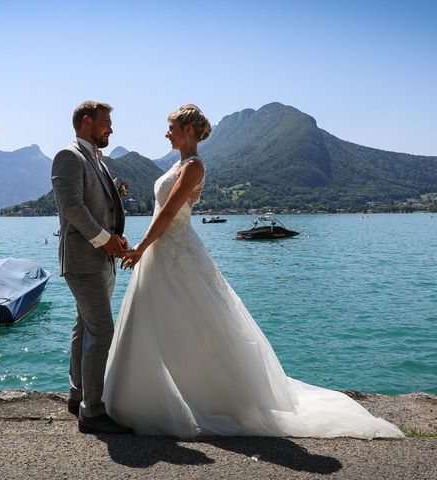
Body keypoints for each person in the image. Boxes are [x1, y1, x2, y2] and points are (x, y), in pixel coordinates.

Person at [103, 104, 403, 439]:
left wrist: (141, 247)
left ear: (188, 130)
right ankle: (157, 394)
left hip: (173, 251)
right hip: (165, 251)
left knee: (190, 323)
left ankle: (196, 397)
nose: (166, 132)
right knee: (163, 322)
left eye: (171, 127)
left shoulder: (193, 166)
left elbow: (170, 210)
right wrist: (145, 247)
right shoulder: (177, 164)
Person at [51, 100, 133, 434]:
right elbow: (72, 207)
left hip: (100, 256)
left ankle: (78, 395)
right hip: (83, 260)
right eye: (105, 122)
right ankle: (93, 412)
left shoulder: (94, 159)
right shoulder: (68, 156)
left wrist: (116, 238)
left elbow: (98, 207)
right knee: (102, 330)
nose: (110, 128)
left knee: (84, 328)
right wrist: (105, 240)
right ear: (87, 122)